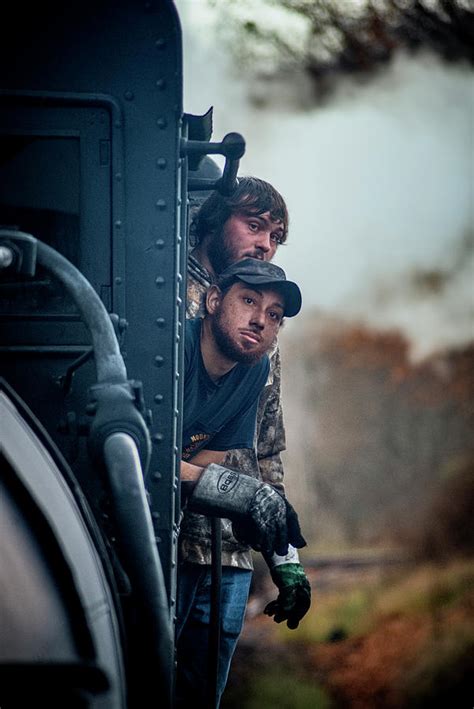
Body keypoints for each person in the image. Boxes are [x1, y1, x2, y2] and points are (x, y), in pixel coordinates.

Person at [180, 177, 311, 700]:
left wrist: (286, 559)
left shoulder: (261, 334)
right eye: (254, 226)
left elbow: (265, 450)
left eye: (276, 236)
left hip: (228, 549)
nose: (265, 243)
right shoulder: (158, 289)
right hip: (166, 544)